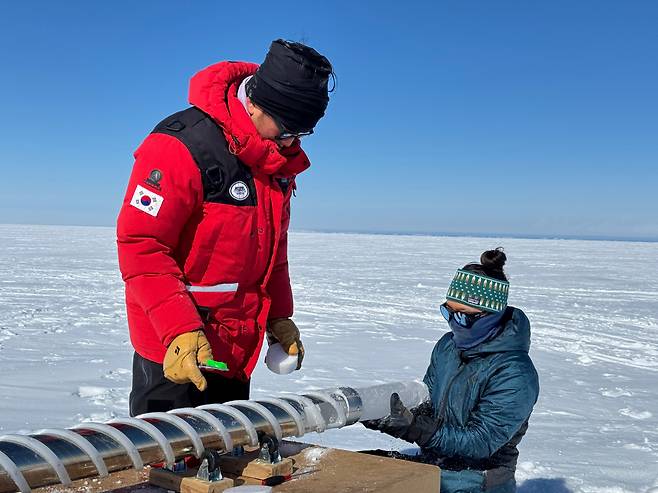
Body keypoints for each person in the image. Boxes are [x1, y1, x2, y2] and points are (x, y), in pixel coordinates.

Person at [117, 39, 333, 416]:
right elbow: (142, 246)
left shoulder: (273, 161)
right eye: (286, 130)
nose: (292, 142)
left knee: (226, 459)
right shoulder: (179, 147)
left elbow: (272, 251)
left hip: (233, 350)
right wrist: (179, 329)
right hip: (175, 352)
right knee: (169, 465)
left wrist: (279, 316)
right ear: (254, 103)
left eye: (303, 134)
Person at [364, 249, 539, 493]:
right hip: (436, 464)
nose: (454, 323)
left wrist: (416, 428)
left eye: (464, 316)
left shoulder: (515, 373)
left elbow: (480, 442)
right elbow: (430, 404)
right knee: (354, 469)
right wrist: (389, 415)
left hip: (479, 478)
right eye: (448, 312)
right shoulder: (448, 347)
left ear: (491, 316)